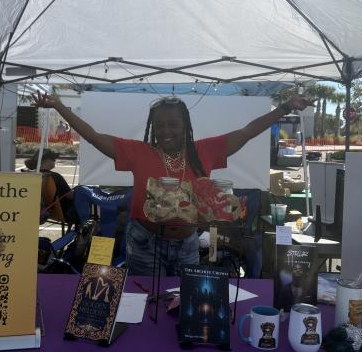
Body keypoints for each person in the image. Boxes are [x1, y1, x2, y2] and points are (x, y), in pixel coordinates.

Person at [32, 91, 311, 275]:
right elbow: (93, 136)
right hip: (144, 242)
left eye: (173, 124)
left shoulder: (204, 151)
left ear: (185, 126)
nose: (166, 131)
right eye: (160, 125)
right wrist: (58, 106)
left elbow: (247, 132)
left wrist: (286, 107)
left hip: (187, 244)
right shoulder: (139, 152)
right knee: (147, 303)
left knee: (180, 301)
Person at [24, 149, 77, 225]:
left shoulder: (32, 176)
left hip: (44, 210)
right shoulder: (55, 176)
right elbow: (70, 196)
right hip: (63, 212)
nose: (55, 160)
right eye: (52, 158)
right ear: (43, 161)